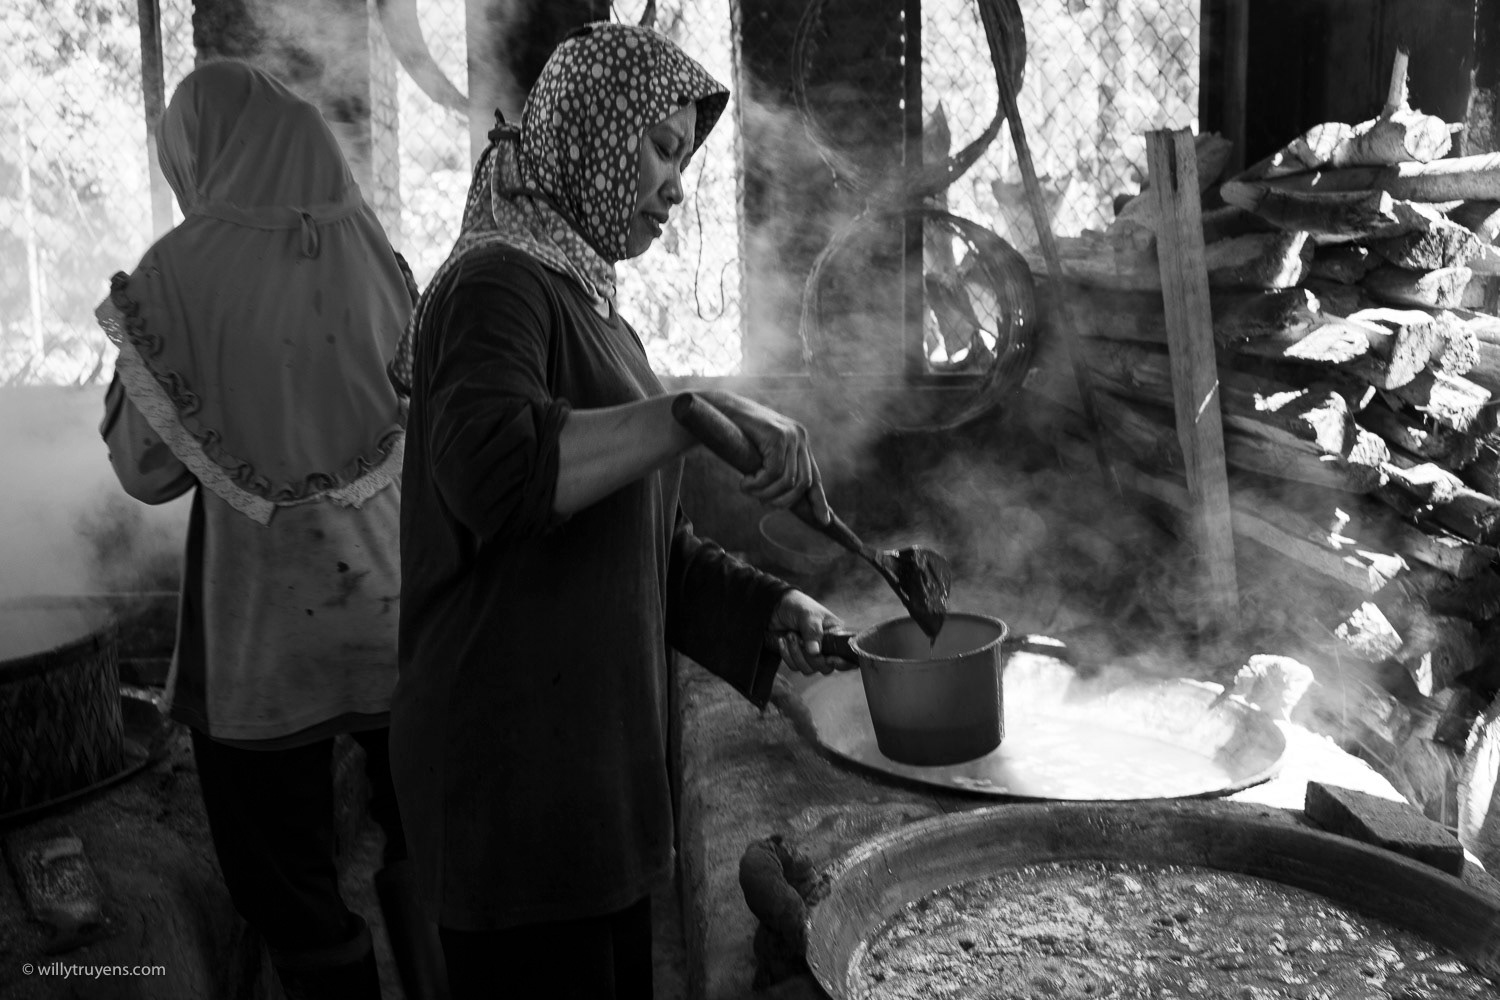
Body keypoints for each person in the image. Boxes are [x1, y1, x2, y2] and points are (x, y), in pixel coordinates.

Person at [388, 21, 852, 999]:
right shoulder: (493, 286)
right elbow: (494, 478)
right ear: (590, 132)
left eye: (684, 159)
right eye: (662, 148)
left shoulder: (591, 303)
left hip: (588, 780)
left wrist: (770, 610)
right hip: (508, 784)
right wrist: (690, 414)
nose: (678, 185)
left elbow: (636, 546)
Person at [95, 59, 444, 1000]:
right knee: (425, 832)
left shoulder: (173, 276)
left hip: (260, 637)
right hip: (389, 612)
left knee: (283, 879)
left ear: (198, 152)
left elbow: (146, 470)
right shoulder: (376, 252)